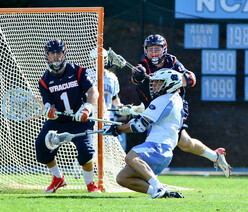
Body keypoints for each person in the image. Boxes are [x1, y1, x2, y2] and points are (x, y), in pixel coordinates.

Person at [131, 34, 231, 177]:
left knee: (159, 135)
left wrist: (177, 78)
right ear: (145, 50)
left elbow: (191, 78)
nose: (153, 52)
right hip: (154, 106)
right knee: (185, 143)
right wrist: (138, 75)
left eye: (157, 49)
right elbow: (135, 77)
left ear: (164, 49)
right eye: (150, 49)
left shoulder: (172, 61)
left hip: (173, 107)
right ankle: (215, 156)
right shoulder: (143, 64)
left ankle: (148, 176)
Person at [101, 69, 185, 198]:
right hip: (164, 150)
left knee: (130, 157)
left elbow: (139, 126)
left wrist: (116, 129)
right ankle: (161, 193)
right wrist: (134, 112)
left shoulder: (165, 99)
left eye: (159, 82)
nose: (154, 85)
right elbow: (147, 122)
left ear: (170, 84)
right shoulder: (175, 99)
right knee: (122, 178)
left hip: (158, 146)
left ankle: (158, 187)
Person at [35, 39, 101, 193]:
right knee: (41, 146)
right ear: (47, 56)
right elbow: (48, 103)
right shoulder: (44, 80)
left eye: (59, 52)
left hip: (80, 119)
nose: (56, 56)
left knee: (86, 152)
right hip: (58, 121)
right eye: (52, 53)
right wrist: (48, 109)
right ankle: (58, 178)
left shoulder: (78, 71)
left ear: (64, 53)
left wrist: (87, 108)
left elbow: (93, 92)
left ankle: (91, 185)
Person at [89, 47, 130, 151]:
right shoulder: (87, 75)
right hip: (91, 118)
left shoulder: (112, 77)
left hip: (108, 119)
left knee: (111, 150)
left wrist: (120, 108)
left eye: (100, 59)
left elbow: (114, 98)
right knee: (90, 150)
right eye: (95, 59)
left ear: (105, 60)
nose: (97, 62)